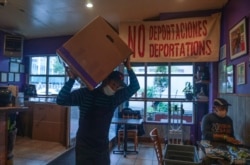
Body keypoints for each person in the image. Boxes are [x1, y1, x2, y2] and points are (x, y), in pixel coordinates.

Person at [56, 57, 140, 165]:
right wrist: (71, 80)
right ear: (105, 81)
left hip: (101, 148)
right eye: (113, 84)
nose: (114, 88)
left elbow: (135, 87)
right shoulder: (85, 94)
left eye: (117, 87)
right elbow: (61, 100)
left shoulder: (114, 99)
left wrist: (128, 67)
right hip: (84, 147)